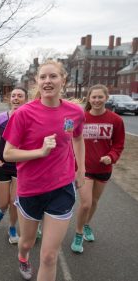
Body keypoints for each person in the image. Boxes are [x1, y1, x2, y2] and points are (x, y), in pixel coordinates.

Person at [3, 60, 85, 281]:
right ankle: (23, 256)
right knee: (27, 242)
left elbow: (76, 137)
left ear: (63, 80)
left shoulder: (75, 112)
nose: (48, 81)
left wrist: (81, 169)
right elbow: (8, 154)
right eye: (43, 77)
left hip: (62, 187)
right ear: (37, 81)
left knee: (49, 256)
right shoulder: (24, 114)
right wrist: (39, 152)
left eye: (53, 76)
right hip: (31, 188)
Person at [71, 84, 125, 254]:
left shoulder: (116, 120)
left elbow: (118, 144)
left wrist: (111, 156)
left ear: (106, 98)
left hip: (103, 168)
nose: (96, 100)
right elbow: (70, 139)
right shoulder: (81, 117)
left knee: (94, 202)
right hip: (83, 169)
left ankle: (87, 225)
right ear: (89, 99)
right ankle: (78, 233)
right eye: (93, 97)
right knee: (86, 203)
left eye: (100, 97)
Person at [0, 87, 28, 244]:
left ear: (25, 99)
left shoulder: (29, 118)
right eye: (13, 96)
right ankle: (1, 210)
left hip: (20, 166)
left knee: (14, 200)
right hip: (2, 164)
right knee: (3, 203)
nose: (16, 98)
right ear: (9, 99)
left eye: (20, 96)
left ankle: (12, 227)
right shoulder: (1, 118)